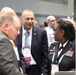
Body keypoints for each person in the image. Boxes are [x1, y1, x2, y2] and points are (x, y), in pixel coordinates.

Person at [15, 9, 50, 75]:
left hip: (36, 68)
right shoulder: (16, 32)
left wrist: (44, 71)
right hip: (20, 68)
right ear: (21, 19)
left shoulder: (41, 32)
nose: (30, 21)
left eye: (32, 19)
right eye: (27, 19)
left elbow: (45, 54)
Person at [0, 7, 26, 74]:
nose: (18, 33)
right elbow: (7, 67)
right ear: (6, 27)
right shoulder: (3, 40)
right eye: (16, 29)